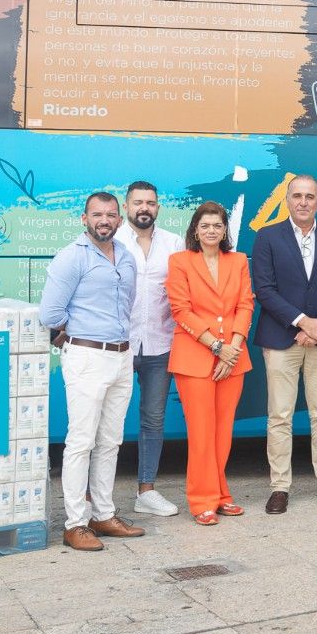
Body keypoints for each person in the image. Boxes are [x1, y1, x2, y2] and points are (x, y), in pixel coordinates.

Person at [38, 192, 146, 552]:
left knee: (110, 441)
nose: (104, 220)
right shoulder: (72, 257)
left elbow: (127, 305)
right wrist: (77, 330)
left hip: (121, 357)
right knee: (81, 442)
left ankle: (103, 514)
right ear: (84, 218)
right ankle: (75, 524)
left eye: (111, 215)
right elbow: (50, 314)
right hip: (87, 357)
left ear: (119, 220)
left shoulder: (126, 256)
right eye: (97, 214)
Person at [249, 174, 317, 514]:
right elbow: (264, 290)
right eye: (297, 195)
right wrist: (301, 322)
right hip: (282, 339)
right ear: (287, 200)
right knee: (279, 416)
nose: (303, 202)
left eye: (310, 196)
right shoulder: (267, 237)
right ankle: (280, 487)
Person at [165, 201, 252, 524]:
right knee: (201, 433)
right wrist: (217, 347)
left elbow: (245, 305)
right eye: (205, 226)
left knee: (223, 432)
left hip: (233, 357)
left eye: (217, 225)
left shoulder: (238, 261)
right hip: (195, 357)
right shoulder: (180, 261)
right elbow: (180, 310)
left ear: (225, 229)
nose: (211, 231)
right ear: (195, 230)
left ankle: (220, 494)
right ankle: (202, 499)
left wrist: (233, 348)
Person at [118, 181, 184, 518]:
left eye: (150, 203)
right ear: (126, 206)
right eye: (138, 202)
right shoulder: (111, 240)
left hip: (160, 344)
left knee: (154, 419)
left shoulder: (174, 243)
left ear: (158, 207)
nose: (144, 208)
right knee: (107, 420)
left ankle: (146, 491)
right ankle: (89, 496)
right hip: (118, 344)